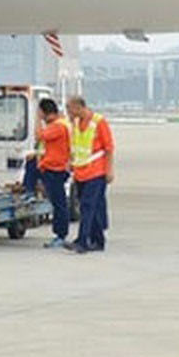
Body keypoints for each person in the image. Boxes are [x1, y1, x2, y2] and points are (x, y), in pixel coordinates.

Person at [66, 94, 113, 253]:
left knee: (87, 207)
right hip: (80, 172)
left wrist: (109, 170)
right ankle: (98, 240)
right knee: (95, 207)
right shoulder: (77, 123)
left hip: (96, 172)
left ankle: (82, 240)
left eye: (70, 109)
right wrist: (71, 162)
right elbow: (75, 145)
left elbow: (109, 148)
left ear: (79, 107)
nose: (68, 112)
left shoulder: (99, 122)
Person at [31, 97, 72, 248]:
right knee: (58, 202)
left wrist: (37, 118)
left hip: (55, 169)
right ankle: (60, 233)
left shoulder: (57, 127)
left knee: (59, 203)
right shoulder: (60, 124)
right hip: (52, 166)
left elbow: (38, 135)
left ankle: (60, 234)